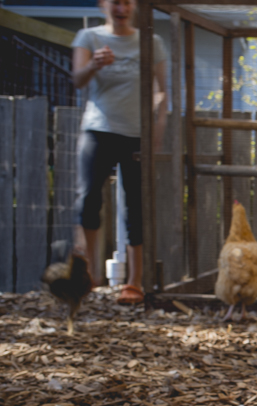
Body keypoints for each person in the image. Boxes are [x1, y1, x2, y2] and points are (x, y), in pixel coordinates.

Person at [71, 0, 167, 305]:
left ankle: (134, 281)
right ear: (104, 5)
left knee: (135, 206)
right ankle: (89, 275)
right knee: (88, 199)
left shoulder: (152, 42)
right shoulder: (89, 38)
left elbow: (162, 91)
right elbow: (77, 79)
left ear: (134, 6)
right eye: (115, 2)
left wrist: (157, 132)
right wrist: (93, 65)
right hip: (98, 129)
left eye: (126, 2)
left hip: (136, 133)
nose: (121, 8)